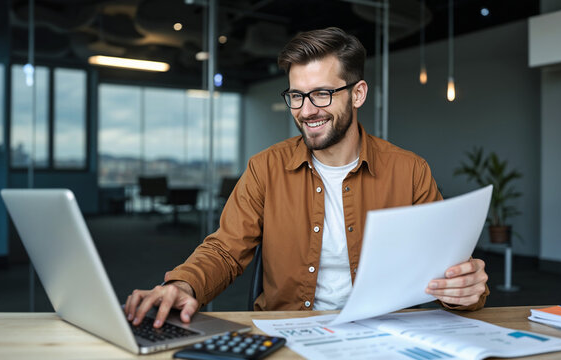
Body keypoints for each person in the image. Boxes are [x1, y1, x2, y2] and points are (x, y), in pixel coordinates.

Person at [124, 27, 489, 328]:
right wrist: (185, 284)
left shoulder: (410, 171)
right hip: (290, 333)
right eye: (296, 96)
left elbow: (448, 268)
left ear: (357, 94)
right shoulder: (265, 168)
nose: (307, 110)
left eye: (322, 94)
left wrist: (466, 290)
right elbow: (225, 249)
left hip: (386, 336)